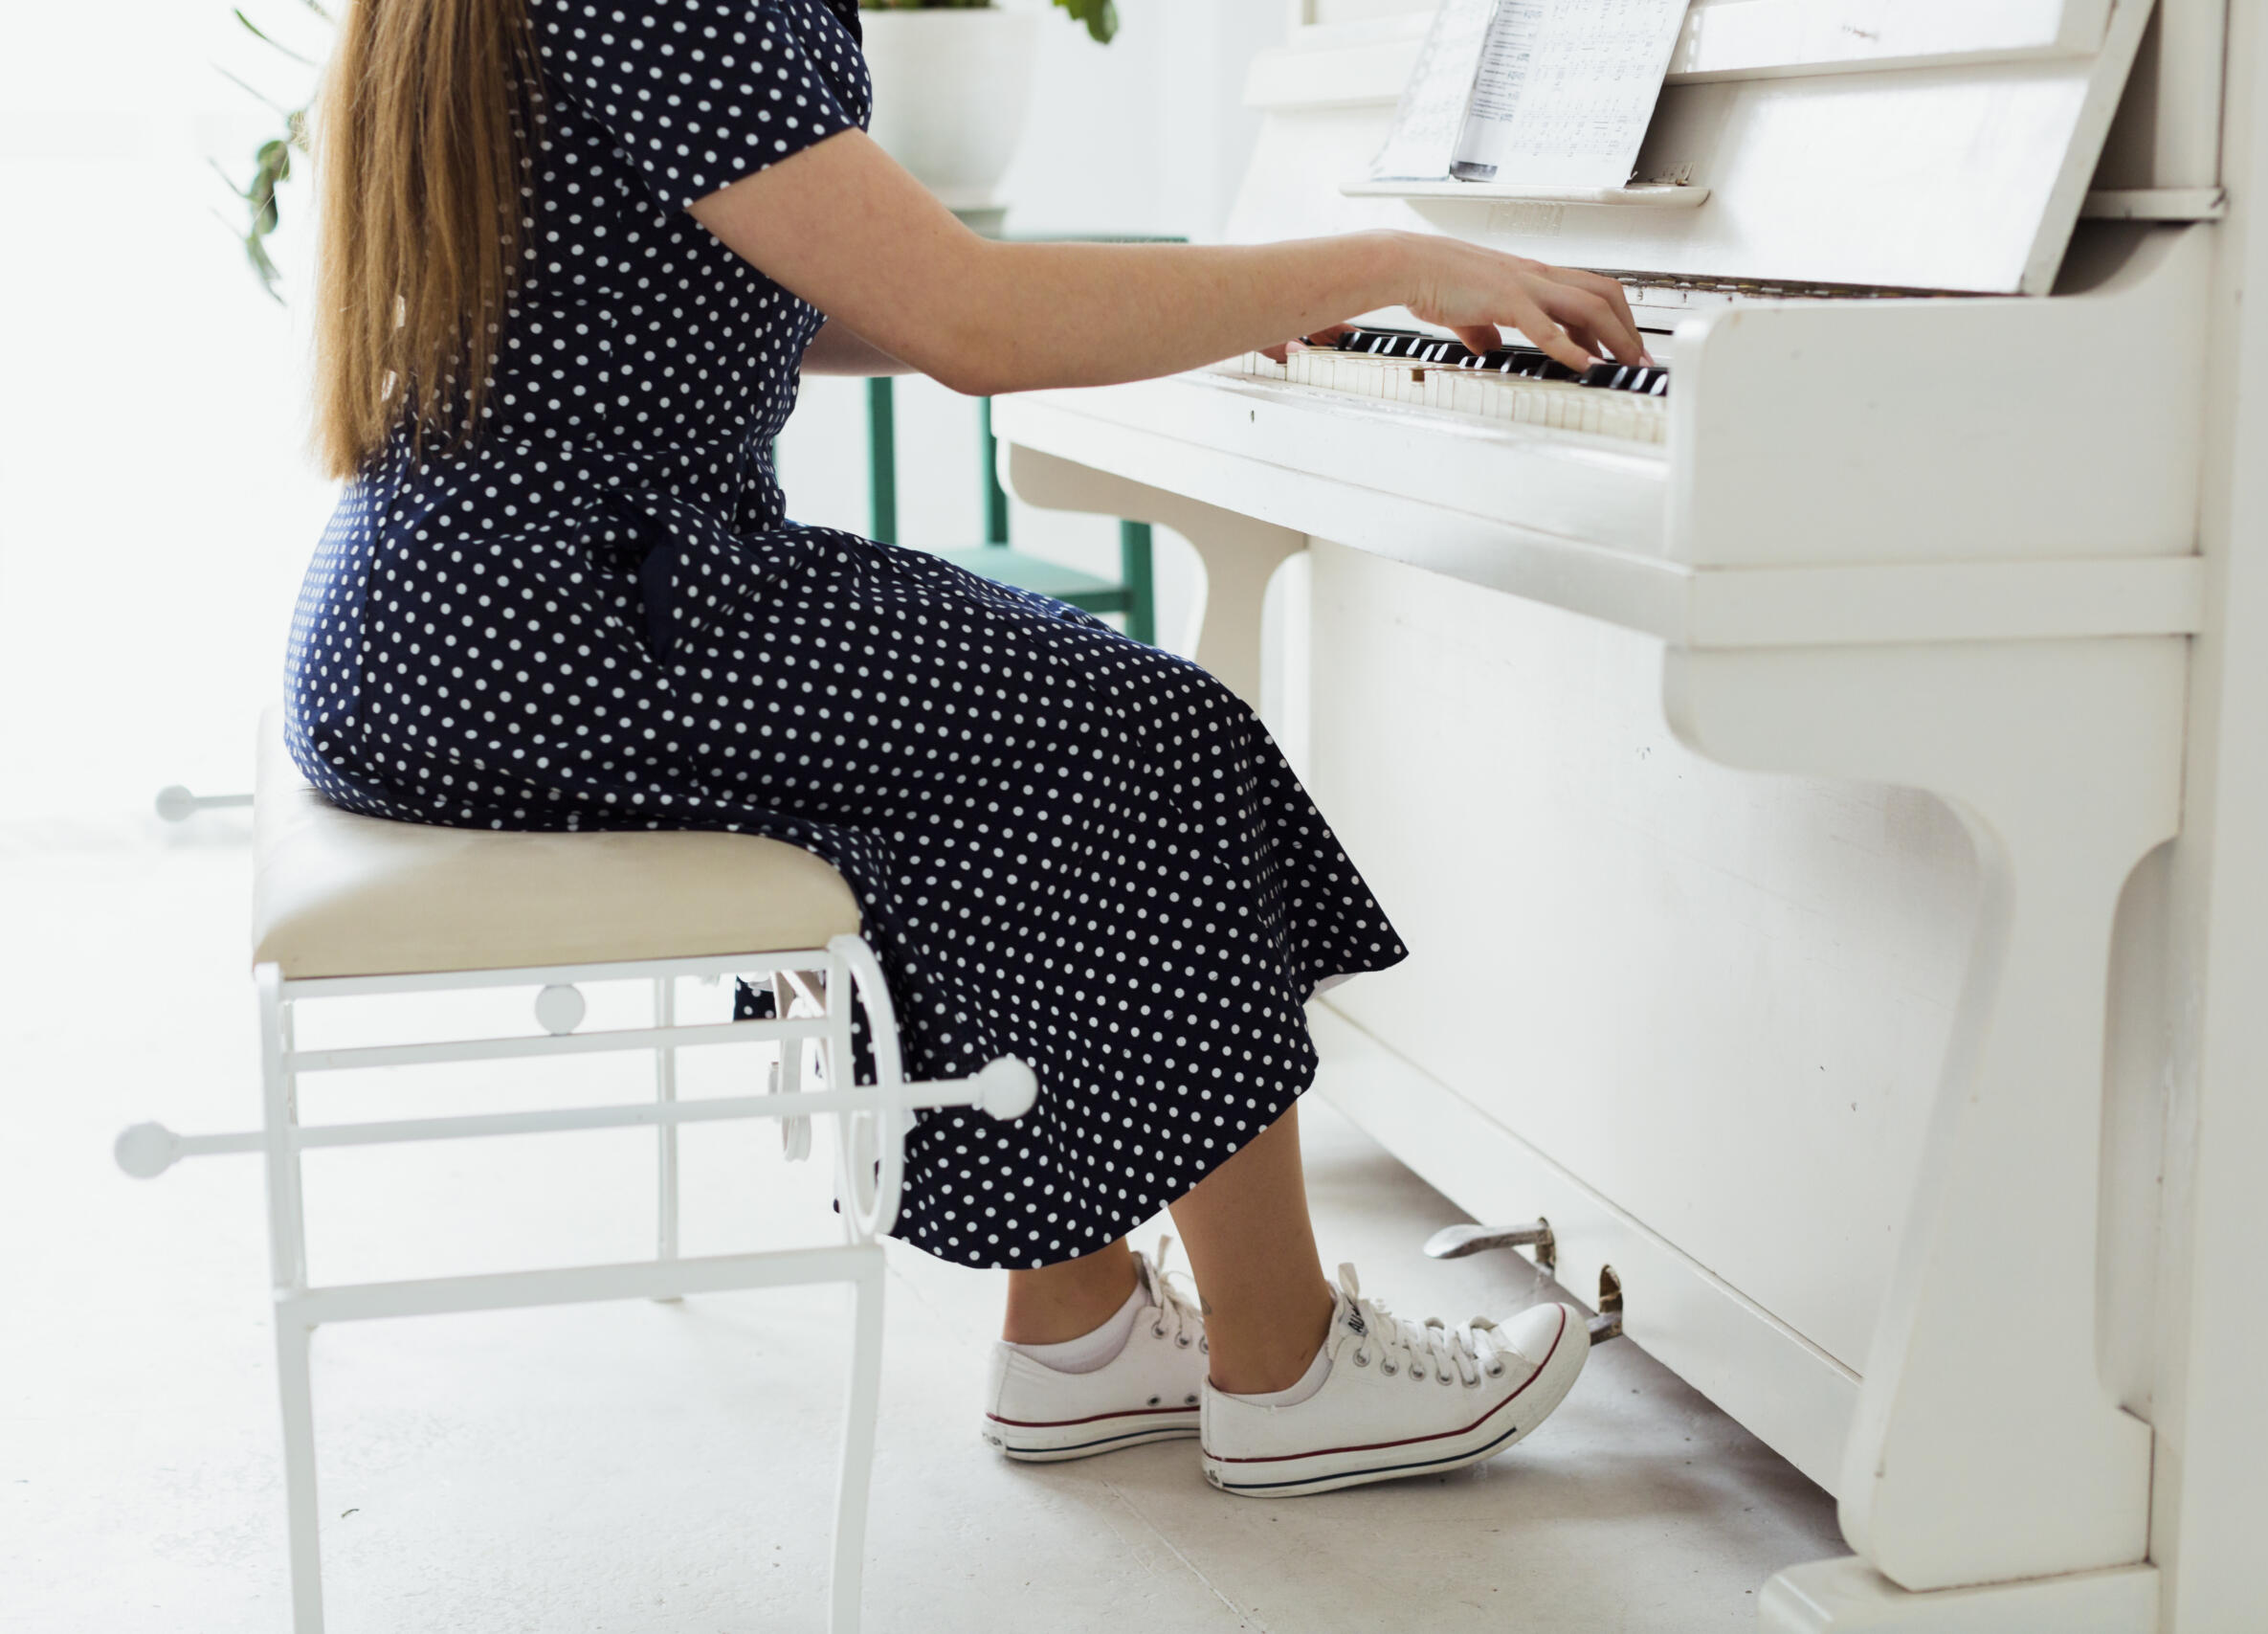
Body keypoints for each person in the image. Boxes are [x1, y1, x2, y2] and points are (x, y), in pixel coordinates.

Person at [295, 0, 1644, 1497]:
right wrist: (1389, 257)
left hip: (483, 619)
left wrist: (1216, 298)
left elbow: (780, 287)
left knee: (981, 739)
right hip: (570, 620)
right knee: (1147, 733)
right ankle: (1292, 1363)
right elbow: (972, 323)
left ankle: (1080, 1332)